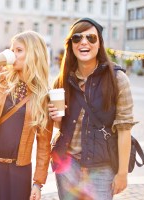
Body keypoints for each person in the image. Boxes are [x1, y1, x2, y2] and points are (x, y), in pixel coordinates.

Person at [49, 18, 136, 199]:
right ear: (71, 44)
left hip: (102, 167)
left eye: (91, 38)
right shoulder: (62, 80)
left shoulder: (117, 79)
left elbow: (124, 129)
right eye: (77, 38)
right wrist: (56, 119)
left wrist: (122, 173)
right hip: (68, 165)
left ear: (99, 44)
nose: (84, 42)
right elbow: (60, 126)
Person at [0, 30, 56, 200]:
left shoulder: (44, 96)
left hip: (18, 170)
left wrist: (38, 183)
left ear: (33, 54)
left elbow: (44, 146)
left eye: (19, 50)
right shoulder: (0, 80)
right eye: (12, 49)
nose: (12, 54)